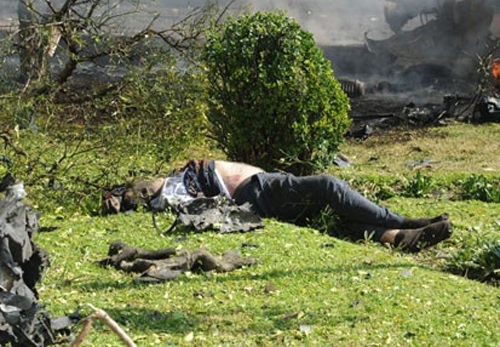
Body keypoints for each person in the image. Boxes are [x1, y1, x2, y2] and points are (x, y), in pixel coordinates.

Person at [103, 159, 452, 253]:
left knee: (331, 215)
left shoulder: (179, 182)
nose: (145, 184)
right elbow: (146, 191)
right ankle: (406, 222)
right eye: (139, 189)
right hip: (257, 191)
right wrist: (125, 196)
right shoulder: (171, 189)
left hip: (260, 192)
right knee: (327, 185)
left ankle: (399, 238)